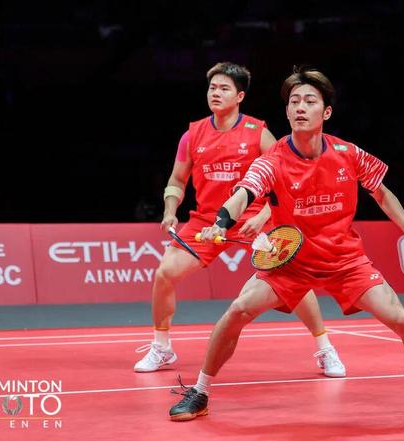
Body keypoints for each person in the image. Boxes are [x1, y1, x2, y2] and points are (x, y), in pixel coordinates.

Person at [168, 66, 404, 421]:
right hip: (290, 262)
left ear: (326, 112)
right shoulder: (272, 160)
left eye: (309, 101)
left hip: (345, 261)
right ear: (287, 112)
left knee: (401, 319)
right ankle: (200, 391)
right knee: (237, 311)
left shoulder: (348, 153)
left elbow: (381, 192)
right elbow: (244, 194)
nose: (300, 107)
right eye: (294, 102)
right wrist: (221, 223)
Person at [134, 62, 346, 379]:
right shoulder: (192, 135)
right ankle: (162, 346)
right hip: (208, 221)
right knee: (165, 273)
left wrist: (263, 215)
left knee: (293, 280)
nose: (216, 93)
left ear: (240, 96)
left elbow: (287, 178)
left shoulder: (258, 133)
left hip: (253, 218)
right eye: (212, 88)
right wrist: (169, 210)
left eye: (224, 88)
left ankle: (325, 347)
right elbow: (177, 180)